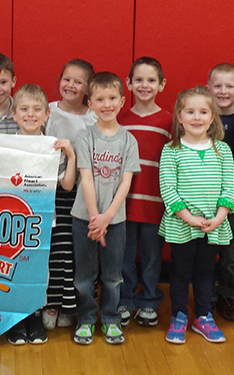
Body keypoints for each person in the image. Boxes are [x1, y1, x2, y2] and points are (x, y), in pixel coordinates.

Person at [160, 86, 234, 345]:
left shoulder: (223, 151)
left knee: (205, 272)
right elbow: (167, 188)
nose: (196, 117)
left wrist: (220, 216)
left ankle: (203, 316)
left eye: (203, 112)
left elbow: (229, 187)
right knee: (180, 272)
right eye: (190, 112)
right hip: (182, 224)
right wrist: (188, 217)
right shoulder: (172, 150)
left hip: (212, 225)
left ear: (212, 117)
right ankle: (179, 316)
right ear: (179, 117)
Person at [71, 72, 140, 345]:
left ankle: (110, 318)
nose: (106, 104)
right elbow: (85, 177)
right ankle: (86, 319)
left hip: (116, 221)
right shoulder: (84, 137)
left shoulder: (128, 140)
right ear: (90, 103)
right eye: (100, 99)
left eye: (112, 98)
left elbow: (126, 182)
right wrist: (94, 219)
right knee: (84, 276)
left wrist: (108, 217)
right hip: (83, 219)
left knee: (113, 276)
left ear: (122, 101)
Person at [5, 84, 76, 345]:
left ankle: (34, 315)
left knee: (38, 270)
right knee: (12, 267)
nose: (30, 114)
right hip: (11, 221)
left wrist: (71, 154)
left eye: (37, 110)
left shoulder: (52, 146)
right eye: (24, 109)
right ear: (13, 114)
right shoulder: (5, 145)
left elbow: (67, 185)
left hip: (43, 220)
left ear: (47, 114)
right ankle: (15, 318)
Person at [41, 59, 95, 329]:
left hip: (79, 192)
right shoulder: (47, 111)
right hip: (49, 191)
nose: (71, 85)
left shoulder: (93, 117)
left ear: (87, 88)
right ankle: (50, 303)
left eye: (78, 81)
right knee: (52, 250)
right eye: (67, 79)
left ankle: (69, 305)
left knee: (74, 251)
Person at [117, 57, 171, 327]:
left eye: (151, 80)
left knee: (151, 256)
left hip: (156, 204)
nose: (144, 85)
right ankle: (125, 299)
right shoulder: (119, 119)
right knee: (124, 256)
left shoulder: (170, 122)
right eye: (138, 80)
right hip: (124, 204)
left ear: (162, 85)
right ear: (128, 84)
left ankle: (149, 301)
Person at [207, 63, 234, 321]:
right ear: (208, 88)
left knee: (231, 253)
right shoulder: (199, 118)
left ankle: (227, 295)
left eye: (229, 86)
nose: (223, 91)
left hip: (233, 202)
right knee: (202, 251)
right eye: (218, 86)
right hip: (201, 199)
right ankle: (205, 294)